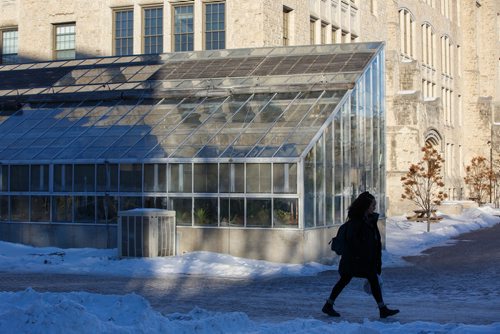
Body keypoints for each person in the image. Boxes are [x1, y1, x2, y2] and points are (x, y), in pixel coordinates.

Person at [322, 191, 399, 319]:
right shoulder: (356, 223)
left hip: (361, 260)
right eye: (372, 205)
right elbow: (355, 244)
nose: (374, 207)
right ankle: (382, 309)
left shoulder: (368, 221)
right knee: (367, 279)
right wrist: (363, 257)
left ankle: (329, 305)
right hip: (355, 260)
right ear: (365, 206)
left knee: (347, 280)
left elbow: (373, 242)